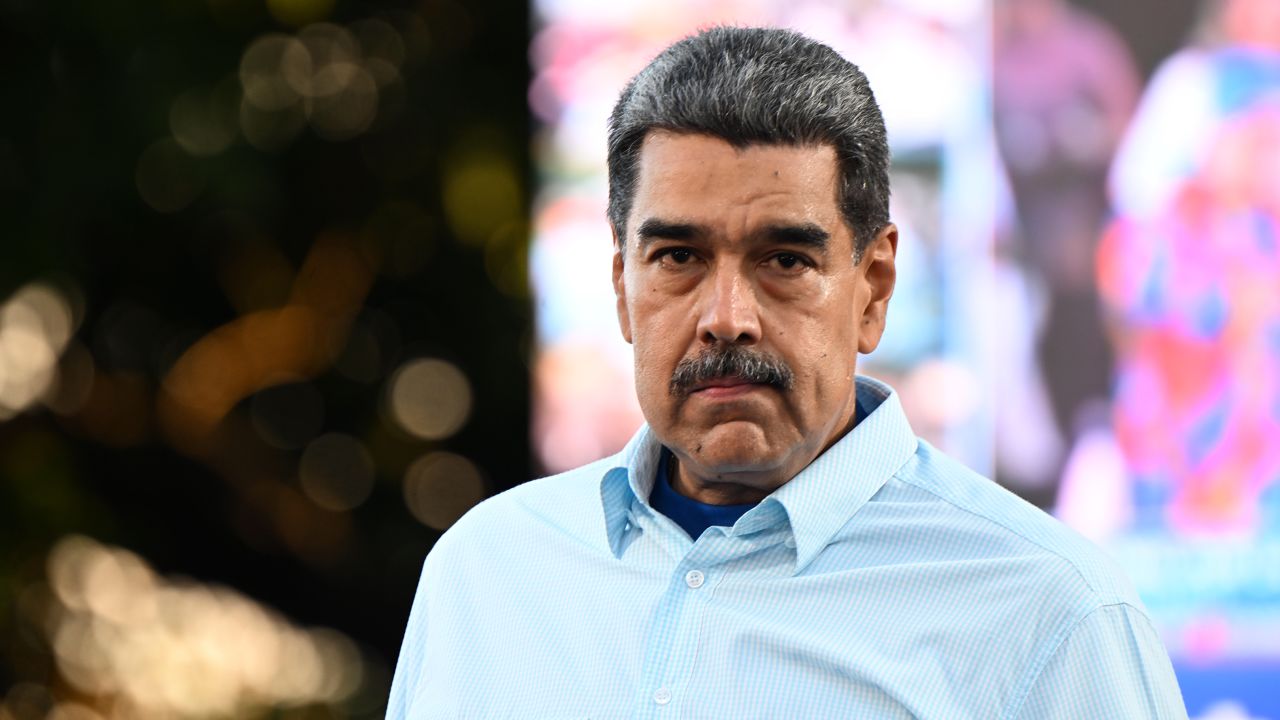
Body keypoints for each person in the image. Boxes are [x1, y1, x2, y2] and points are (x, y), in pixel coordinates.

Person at [386, 27, 1186, 719]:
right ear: (623, 290)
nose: (725, 314)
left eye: (784, 259)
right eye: (677, 258)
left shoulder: (1053, 615)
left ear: (873, 290)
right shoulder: (484, 574)